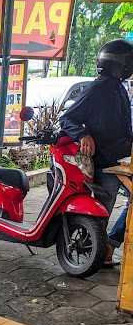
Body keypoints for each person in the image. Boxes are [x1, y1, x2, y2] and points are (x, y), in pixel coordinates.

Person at [59, 39, 133, 264]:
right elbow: (67, 119)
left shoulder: (118, 88)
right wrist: (83, 135)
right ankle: (100, 251)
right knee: (102, 213)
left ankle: (109, 245)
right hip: (105, 163)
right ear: (120, 64)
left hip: (121, 161)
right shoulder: (98, 88)